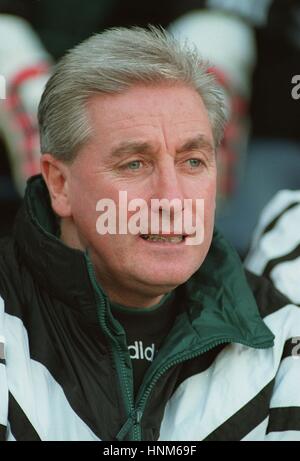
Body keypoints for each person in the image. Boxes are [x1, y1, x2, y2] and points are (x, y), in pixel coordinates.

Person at [0, 26, 300, 442]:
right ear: (59, 184)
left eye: (194, 162)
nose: (172, 198)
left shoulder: (283, 335)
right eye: (134, 164)